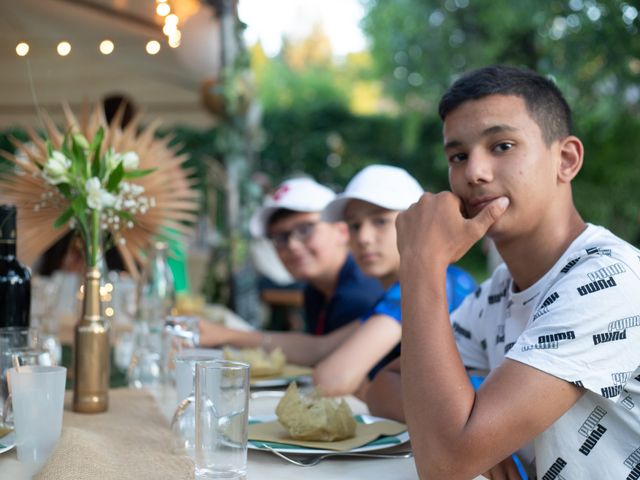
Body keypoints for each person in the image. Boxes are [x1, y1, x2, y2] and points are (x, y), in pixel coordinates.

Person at [379, 65, 640, 479]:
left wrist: (421, 262)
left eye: (501, 146)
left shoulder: (607, 281)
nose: (473, 173)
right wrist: (486, 443)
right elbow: (384, 384)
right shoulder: (499, 291)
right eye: (458, 156)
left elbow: (445, 463)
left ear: (566, 160)